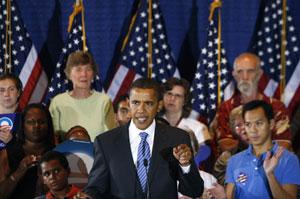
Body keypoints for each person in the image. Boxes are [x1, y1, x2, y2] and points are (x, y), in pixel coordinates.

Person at [75, 78, 204, 199]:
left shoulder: (177, 138)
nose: (141, 110)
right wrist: (88, 196)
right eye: (136, 103)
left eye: (148, 103)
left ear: (159, 105)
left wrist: (185, 164)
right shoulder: (106, 142)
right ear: (129, 103)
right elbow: (96, 188)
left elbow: (194, 191)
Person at [215, 52, 292, 152]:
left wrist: (246, 144)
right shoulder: (226, 107)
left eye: (250, 71)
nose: (245, 77)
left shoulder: (276, 106)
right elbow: (225, 145)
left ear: (259, 74)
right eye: (240, 72)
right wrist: (261, 144)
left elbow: (283, 144)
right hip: (238, 165)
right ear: (234, 75)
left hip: (271, 164)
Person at [225, 100, 300, 198]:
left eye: (259, 123)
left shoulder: (289, 159)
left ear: (271, 124)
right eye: (248, 124)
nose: (253, 130)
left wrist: (270, 175)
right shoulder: (233, 161)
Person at [49, 51, 116, 142]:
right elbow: (53, 138)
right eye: (78, 70)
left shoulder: (104, 101)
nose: (84, 74)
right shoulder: (58, 102)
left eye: (88, 69)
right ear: (69, 73)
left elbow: (112, 137)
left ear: (93, 73)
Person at [0, 103, 55, 198]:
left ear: (48, 124)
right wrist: (19, 171)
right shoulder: (8, 153)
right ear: (23, 125)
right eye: (30, 122)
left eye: (41, 122)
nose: (36, 126)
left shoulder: (56, 152)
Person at [161, 77, 211, 146]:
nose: (172, 99)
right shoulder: (153, 124)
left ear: (185, 101)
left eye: (178, 96)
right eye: (169, 94)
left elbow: (204, 154)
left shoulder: (197, 128)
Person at [213, 106, 249, 185]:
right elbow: (219, 185)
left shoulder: (271, 153)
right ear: (232, 129)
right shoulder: (226, 157)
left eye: (247, 123)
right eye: (238, 126)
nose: (244, 130)